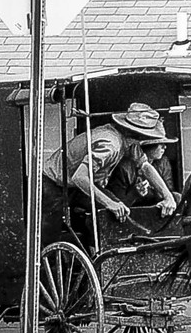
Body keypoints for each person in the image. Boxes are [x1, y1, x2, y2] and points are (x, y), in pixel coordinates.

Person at [42, 102, 178, 244]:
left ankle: (104, 255)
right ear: (136, 134)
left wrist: (168, 196)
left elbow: (145, 166)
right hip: (53, 182)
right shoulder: (110, 144)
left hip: (76, 184)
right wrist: (109, 204)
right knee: (50, 235)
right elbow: (80, 177)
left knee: (120, 212)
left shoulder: (129, 142)